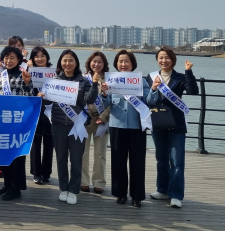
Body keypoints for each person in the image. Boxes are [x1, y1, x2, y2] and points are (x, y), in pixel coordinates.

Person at [38, 49, 96, 205]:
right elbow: (47, 103)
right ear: (60, 63)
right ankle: (63, 187)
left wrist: (95, 84)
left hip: (76, 124)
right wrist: (41, 97)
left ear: (76, 62)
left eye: (71, 60)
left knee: (76, 159)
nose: (67, 63)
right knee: (61, 158)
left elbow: (89, 99)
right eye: (64, 60)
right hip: (58, 124)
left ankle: (74, 189)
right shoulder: (54, 80)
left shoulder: (83, 81)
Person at [146, 48, 198, 208]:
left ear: (173, 60)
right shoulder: (151, 77)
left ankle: (175, 194)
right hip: (159, 123)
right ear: (157, 60)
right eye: (161, 58)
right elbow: (149, 100)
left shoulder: (180, 77)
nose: (164, 61)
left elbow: (193, 91)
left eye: (167, 58)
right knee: (161, 159)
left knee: (177, 161)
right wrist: (154, 88)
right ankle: (162, 190)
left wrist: (188, 72)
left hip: (176, 124)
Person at [100, 50, 150, 207]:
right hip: (117, 125)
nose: (123, 64)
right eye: (120, 61)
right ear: (116, 63)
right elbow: (105, 104)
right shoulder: (112, 81)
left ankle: (137, 196)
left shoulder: (141, 81)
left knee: (137, 162)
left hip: (137, 126)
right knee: (118, 161)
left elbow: (149, 100)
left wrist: (154, 89)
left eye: (126, 61)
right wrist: (104, 93)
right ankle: (120, 193)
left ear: (132, 63)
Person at [0, 46, 33, 200]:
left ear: (19, 59)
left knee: (17, 157)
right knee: (5, 155)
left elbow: (30, 98)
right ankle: (7, 184)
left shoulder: (23, 75)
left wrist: (28, 83)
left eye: (12, 58)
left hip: (18, 122)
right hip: (2, 122)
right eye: (6, 58)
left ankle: (16, 188)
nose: (8, 61)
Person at [81, 51, 111, 194]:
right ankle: (83, 181)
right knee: (83, 152)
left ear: (104, 64)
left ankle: (99, 182)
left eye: (100, 62)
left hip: (102, 121)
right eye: (94, 61)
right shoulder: (83, 78)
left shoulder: (111, 79)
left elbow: (113, 102)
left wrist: (104, 117)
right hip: (85, 120)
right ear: (89, 62)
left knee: (100, 154)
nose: (96, 64)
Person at [28, 46, 53, 184]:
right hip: (35, 111)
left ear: (47, 57)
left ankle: (46, 172)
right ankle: (36, 173)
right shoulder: (29, 72)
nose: (40, 58)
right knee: (35, 142)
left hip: (50, 111)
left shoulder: (54, 72)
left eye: (43, 55)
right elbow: (25, 89)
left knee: (49, 142)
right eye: (37, 56)